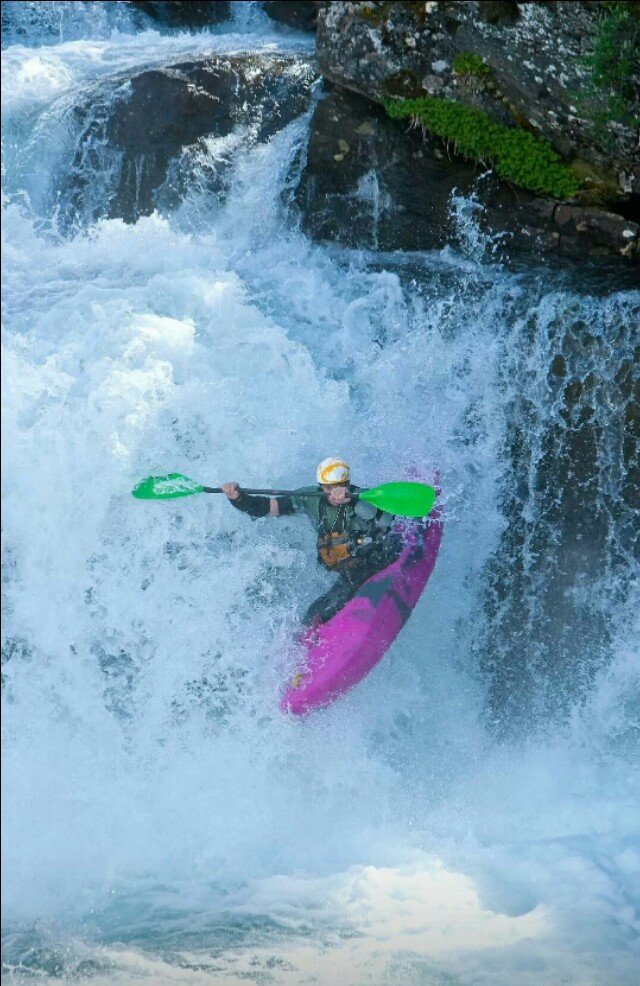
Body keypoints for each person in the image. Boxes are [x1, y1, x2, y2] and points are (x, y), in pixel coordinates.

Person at [222, 458, 404, 626]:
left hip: (377, 559)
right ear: (320, 487)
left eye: (340, 486)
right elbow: (265, 508)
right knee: (312, 616)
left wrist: (352, 501)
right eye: (328, 488)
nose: (335, 493)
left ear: (348, 483)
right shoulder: (309, 498)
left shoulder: (363, 496)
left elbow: (388, 520)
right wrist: (239, 499)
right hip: (351, 571)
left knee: (339, 602)